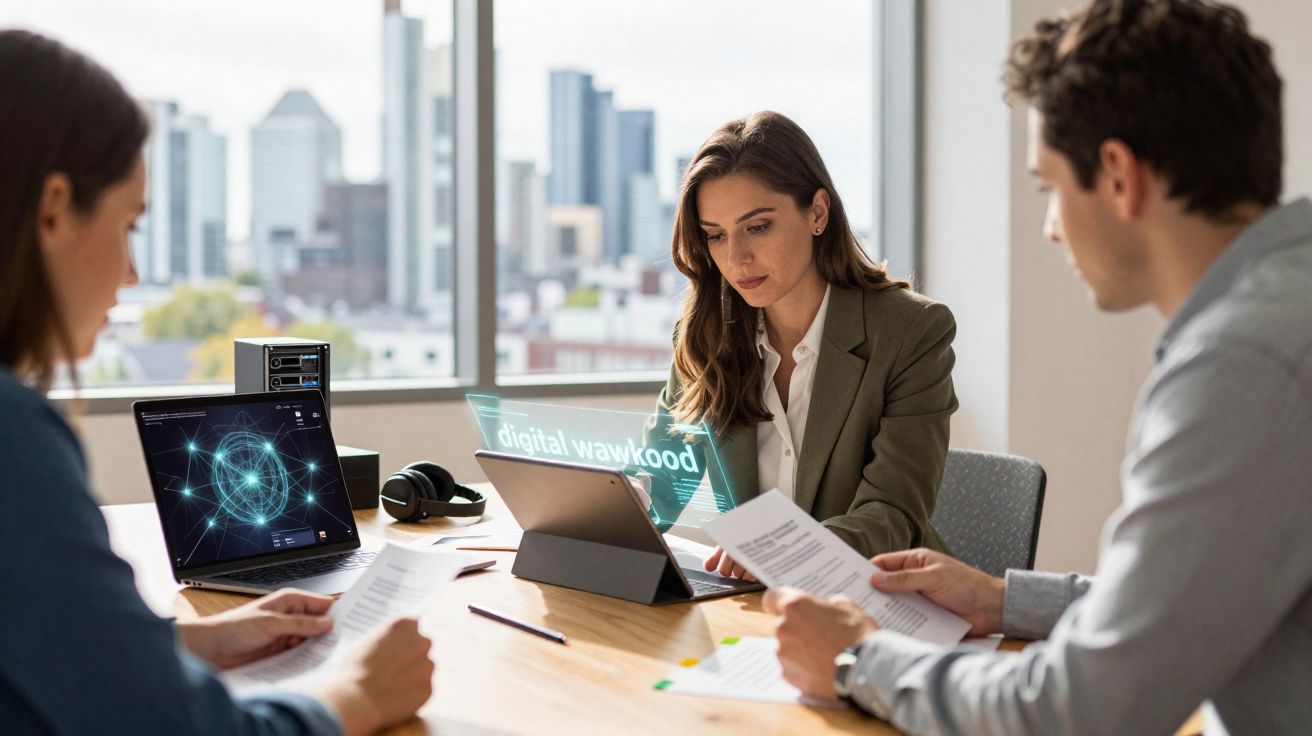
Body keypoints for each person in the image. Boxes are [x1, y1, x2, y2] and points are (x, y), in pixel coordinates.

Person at [764, 0, 1312, 733]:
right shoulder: (1285, 307)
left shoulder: (1239, 366)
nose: (1051, 228)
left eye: (1048, 187)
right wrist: (1004, 600)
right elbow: (1199, 595)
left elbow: (1083, 707)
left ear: (1118, 175)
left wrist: (858, 660)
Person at [0, 30, 434, 735]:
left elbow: (42, 652)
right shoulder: (12, 437)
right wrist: (357, 692)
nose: (132, 274)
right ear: (53, 207)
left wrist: (198, 642)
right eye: (129, 224)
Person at [647, 111, 959, 578]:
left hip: (879, 598)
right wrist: (597, 508)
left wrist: (787, 549)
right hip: (757, 606)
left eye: (757, 227)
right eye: (715, 235)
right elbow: (663, 484)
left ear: (817, 212)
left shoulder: (911, 331)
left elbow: (892, 514)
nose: (736, 258)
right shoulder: (705, 338)